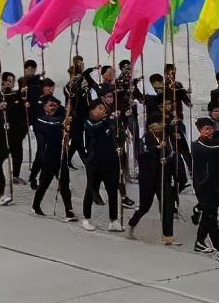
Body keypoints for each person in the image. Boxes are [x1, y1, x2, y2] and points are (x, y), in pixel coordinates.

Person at [127, 112, 178, 244]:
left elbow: (173, 130)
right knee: (145, 206)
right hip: (148, 178)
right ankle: (132, 224)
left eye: (161, 124)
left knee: (167, 207)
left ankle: (168, 235)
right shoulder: (145, 138)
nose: (160, 126)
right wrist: (156, 149)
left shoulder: (166, 136)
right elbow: (143, 156)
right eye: (157, 124)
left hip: (163, 176)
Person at [191, 118, 219, 263]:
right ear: (200, 131)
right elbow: (212, 151)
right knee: (211, 217)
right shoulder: (197, 145)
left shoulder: (217, 143)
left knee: (209, 215)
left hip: (216, 185)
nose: (209, 132)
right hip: (202, 185)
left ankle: (200, 241)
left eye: (211, 129)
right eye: (206, 129)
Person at [80, 99, 123, 233]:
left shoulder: (109, 121)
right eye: (99, 108)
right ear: (92, 111)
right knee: (91, 189)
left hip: (110, 161)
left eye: (103, 108)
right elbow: (96, 130)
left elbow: (120, 135)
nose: (102, 110)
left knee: (112, 190)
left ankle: (113, 220)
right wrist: (108, 121)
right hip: (94, 162)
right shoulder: (89, 123)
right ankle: (86, 218)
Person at [30, 95, 75, 220]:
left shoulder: (59, 120)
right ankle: (35, 205)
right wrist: (63, 121)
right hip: (46, 157)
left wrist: (67, 128)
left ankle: (69, 210)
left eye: (55, 105)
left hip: (60, 156)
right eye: (50, 105)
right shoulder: (40, 119)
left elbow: (64, 132)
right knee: (44, 183)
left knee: (64, 184)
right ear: (44, 106)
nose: (52, 108)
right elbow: (50, 125)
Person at [0, 72, 28, 185]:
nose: (10, 83)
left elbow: (21, 101)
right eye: (9, 81)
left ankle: (16, 175)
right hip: (5, 128)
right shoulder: (0, 95)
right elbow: (0, 103)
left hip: (17, 128)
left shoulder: (17, 94)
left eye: (12, 81)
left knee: (18, 152)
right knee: (4, 151)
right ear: (4, 82)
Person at [29, 77, 58, 189]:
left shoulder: (54, 100)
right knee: (41, 153)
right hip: (40, 128)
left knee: (50, 153)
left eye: (52, 87)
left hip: (51, 128)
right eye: (48, 87)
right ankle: (33, 177)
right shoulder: (38, 100)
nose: (50, 89)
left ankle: (44, 176)